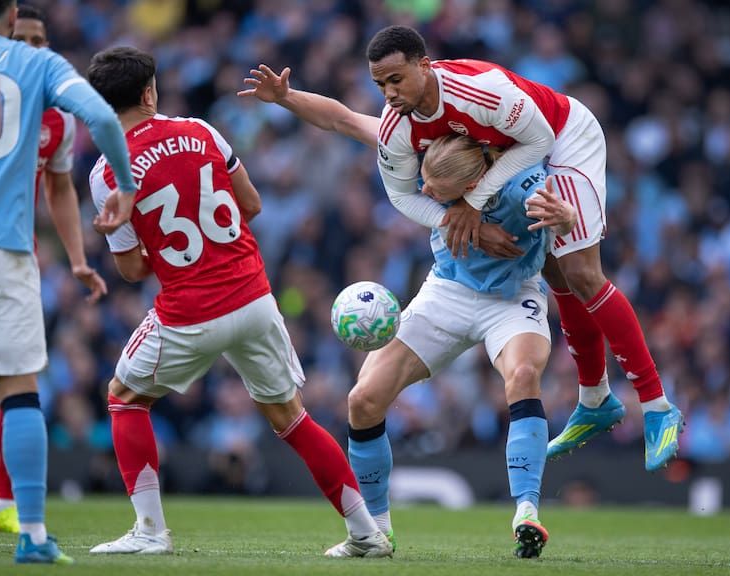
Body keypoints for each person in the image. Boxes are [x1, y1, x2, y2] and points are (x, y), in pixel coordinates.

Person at [239, 68, 578, 558]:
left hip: (513, 296)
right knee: (363, 400)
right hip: (448, 291)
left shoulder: (523, 186)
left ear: (474, 184)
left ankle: (527, 511)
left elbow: (566, 214)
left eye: (434, 188)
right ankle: (377, 532)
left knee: (523, 374)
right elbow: (342, 120)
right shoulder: (425, 149)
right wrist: (286, 97)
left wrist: (564, 218)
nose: (422, 189)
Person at [84, 45, 392, 559]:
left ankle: (150, 531)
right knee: (293, 420)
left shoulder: (105, 173)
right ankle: (366, 533)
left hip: (190, 312)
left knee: (123, 397)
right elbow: (251, 204)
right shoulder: (202, 131)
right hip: (253, 297)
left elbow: (135, 269)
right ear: (148, 92)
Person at [362, 25, 684, 472]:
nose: (388, 93)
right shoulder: (399, 123)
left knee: (582, 273)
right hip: (517, 162)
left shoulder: (479, 91)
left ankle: (657, 405)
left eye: (395, 80)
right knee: (555, 272)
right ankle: (594, 400)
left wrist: (474, 205)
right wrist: (458, 218)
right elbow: (399, 194)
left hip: (563, 137)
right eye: (379, 84)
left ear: (423, 65)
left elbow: (542, 141)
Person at [0, 0, 136, 564]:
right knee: (19, 388)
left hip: (16, 248)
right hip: (6, 251)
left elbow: (57, 189)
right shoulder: (41, 68)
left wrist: (76, 259)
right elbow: (102, 117)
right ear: (9, 15)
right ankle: (31, 534)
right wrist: (124, 184)